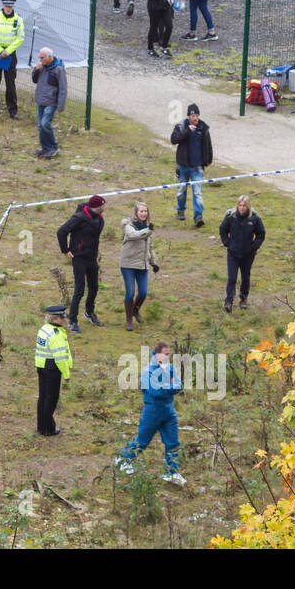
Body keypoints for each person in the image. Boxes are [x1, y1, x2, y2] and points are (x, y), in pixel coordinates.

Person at [115, 342, 186, 485]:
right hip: (152, 411)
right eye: (165, 354)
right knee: (142, 441)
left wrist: (165, 386)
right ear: (156, 354)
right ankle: (123, 459)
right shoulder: (148, 372)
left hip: (169, 410)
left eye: (169, 354)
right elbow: (155, 392)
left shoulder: (171, 369)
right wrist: (170, 387)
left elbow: (179, 385)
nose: (168, 357)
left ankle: (172, 472)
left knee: (173, 442)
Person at [57, 193, 107, 331]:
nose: (105, 207)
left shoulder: (98, 217)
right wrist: (65, 250)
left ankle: (89, 312)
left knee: (94, 287)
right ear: (98, 206)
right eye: (103, 204)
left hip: (92, 258)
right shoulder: (79, 218)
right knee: (79, 289)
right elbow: (61, 231)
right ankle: (73, 321)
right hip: (79, 258)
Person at [219, 195, 265, 312]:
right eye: (240, 205)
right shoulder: (231, 217)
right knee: (232, 278)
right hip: (233, 253)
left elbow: (261, 233)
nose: (242, 208)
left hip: (247, 254)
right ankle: (228, 301)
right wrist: (227, 243)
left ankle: (243, 298)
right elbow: (223, 229)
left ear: (248, 206)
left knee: (245, 277)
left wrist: (254, 247)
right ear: (237, 205)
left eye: (244, 205)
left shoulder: (254, 219)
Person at [118, 201, 159, 331]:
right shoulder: (129, 225)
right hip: (128, 264)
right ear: (136, 213)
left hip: (142, 264)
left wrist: (154, 263)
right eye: (141, 211)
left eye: (145, 211)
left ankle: (135, 311)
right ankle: (129, 319)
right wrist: (148, 230)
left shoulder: (147, 227)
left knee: (143, 292)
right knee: (130, 292)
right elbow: (133, 236)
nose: (143, 213)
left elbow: (150, 248)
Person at [170, 103, 213, 226]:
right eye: (193, 115)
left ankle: (198, 217)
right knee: (181, 190)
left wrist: (209, 159)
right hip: (182, 166)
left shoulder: (203, 128)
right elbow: (174, 139)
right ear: (188, 116)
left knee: (197, 193)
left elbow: (208, 145)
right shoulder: (181, 126)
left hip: (197, 167)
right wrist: (187, 131)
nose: (195, 118)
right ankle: (180, 210)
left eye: (197, 115)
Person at [34, 304, 72, 437]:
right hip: (52, 369)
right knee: (51, 399)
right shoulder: (56, 335)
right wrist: (66, 374)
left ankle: (41, 427)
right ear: (56, 319)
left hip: (41, 366)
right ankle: (49, 428)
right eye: (62, 317)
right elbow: (60, 358)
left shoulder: (44, 329)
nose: (64, 319)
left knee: (43, 397)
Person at [0, 0, 24, 118]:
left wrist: (7, 51)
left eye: (10, 7)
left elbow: (20, 37)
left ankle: (13, 110)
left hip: (10, 54)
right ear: (3, 6)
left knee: (10, 83)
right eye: (6, 6)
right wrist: (0, 50)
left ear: (13, 7)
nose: (8, 9)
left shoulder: (18, 19)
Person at [31, 46, 67, 159]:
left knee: (45, 123)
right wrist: (35, 70)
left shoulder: (58, 69)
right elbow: (34, 80)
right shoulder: (41, 67)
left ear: (49, 57)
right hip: (41, 100)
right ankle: (45, 148)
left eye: (42, 58)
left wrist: (60, 106)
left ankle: (54, 147)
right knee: (40, 126)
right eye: (39, 57)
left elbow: (63, 88)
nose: (40, 60)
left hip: (51, 102)